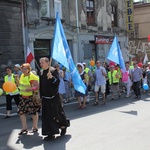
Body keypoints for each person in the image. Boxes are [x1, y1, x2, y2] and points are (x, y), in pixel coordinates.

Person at [39, 57, 70, 140]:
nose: (41, 64)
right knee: (46, 116)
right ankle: (50, 133)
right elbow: (41, 85)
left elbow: (57, 82)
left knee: (56, 114)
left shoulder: (53, 71)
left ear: (47, 63)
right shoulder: (41, 72)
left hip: (53, 98)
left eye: (42, 62)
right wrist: (40, 96)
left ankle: (64, 125)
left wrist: (52, 78)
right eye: (40, 62)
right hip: (45, 98)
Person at [15, 63, 40, 135]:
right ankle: (24, 128)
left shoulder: (31, 76)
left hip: (31, 97)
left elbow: (37, 86)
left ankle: (35, 127)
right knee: (21, 112)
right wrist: (17, 79)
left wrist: (30, 89)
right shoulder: (22, 75)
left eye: (24, 68)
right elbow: (19, 85)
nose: (23, 70)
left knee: (33, 112)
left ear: (29, 69)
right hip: (23, 97)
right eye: (22, 68)